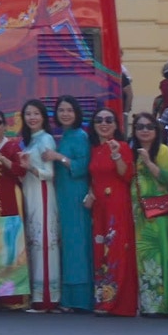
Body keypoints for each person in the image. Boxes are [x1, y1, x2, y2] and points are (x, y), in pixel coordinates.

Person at [128, 113, 168, 316]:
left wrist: (148, 161)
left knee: (162, 256)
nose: (144, 130)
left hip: (160, 213)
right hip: (139, 213)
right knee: (144, 258)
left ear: (156, 130)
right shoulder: (132, 151)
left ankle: (167, 305)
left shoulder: (164, 151)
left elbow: (167, 178)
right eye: (140, 126)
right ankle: (150, 305)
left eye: (149, 126)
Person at [87, 110, 136, 316]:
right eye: (99, 120)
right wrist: (90, 193)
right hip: (100, 208)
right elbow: (95, 177)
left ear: (116, 125)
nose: (104, 123)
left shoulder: (122, 147)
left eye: (109, 120)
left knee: (116, 249)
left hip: (117, 205)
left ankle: (115, 302)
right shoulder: (95, 150)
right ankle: (103, 298)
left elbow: (126, 175)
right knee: (101, 251)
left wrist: (116, 154)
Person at [17, 101, 62, 311]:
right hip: (31, 195)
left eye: (36, 113)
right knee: (36, 242)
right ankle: (38, 296)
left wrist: (30, 168)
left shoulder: (46, 139)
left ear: (43, 117)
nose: (32, 117)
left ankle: (47, 298)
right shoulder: (31, 141)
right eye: (28, 114)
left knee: (45, 243)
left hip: (43, 194)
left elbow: (49, 173)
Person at [51, 96, 94, 312]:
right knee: (67, 244)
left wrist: (59, 158)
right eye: (61, 110)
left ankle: (81, 299)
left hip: (77, 195)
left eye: (69, 110)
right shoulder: (65, 136)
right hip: (64, 194)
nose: (65, 114)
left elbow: (83, 166)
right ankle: (68, 298)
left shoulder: (80, 136)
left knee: (77, 244)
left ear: (76, 113)